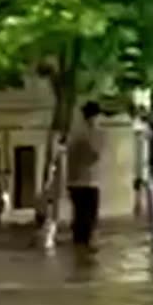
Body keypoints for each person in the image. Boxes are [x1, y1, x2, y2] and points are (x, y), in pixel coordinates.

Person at [66, 101, 106, 248]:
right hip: (88, 182)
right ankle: (85, 252)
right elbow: (95, 154)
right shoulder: (94, 133)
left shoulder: (76, 132)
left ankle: (80, 252)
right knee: (88, 219)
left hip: (76, 182)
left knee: (80, 218)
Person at [131, 107, 153, 220]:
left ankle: (149, 209)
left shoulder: (144, 127)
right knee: (140, 184)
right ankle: (140, 206)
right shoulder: (139, 126)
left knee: (147, 184)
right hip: (141, 158)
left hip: (145, 159)